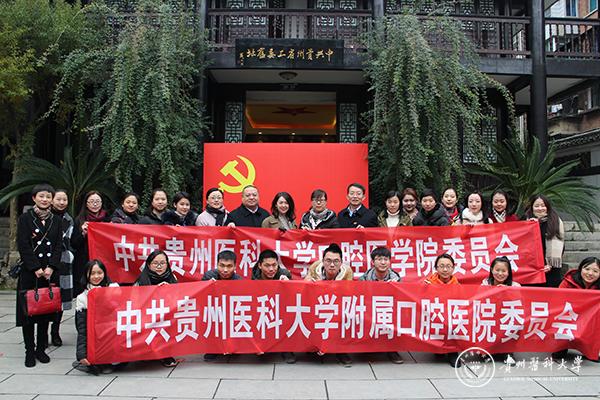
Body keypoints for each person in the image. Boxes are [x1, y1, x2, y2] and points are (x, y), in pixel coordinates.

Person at [16, 184, 62, 367]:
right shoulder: (25, 218)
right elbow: (23, 244)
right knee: (28, 313)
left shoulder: (56, 220)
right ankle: (29, 350)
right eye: (41, 196)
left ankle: (41, 349)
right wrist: (35, 267)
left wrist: (51, 267)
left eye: (48, 196)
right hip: (30, 272)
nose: (45, 199)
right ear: (34, 198)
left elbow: (58, 245)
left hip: (49, 273)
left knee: (45, 311)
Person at [304, 244, 353, 366]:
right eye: (328, 261)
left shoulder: (347, 271)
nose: (332, 265)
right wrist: (308, 282)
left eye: (336, 261)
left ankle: (341, 351)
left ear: (341, 262)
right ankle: (315, 346)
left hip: (338, 305)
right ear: (323, 261)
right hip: (318, 304)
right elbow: (305, 283)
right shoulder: (315, 267)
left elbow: (349, 293)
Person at [359, 247, 403, 364]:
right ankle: (369, 349)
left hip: (389, 311)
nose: (383, 262)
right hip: (370, 311)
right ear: (372, 262)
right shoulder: (363, 279)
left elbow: (402, 300)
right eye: (379, 259)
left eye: (386, 259)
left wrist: (396, 288)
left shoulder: (397, 279)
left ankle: (392, 350)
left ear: (390, 261)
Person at [134, 250, 178, 367]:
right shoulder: (141, 281)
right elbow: (135, 304)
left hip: (166, 316)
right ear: (149, 265)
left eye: (162, 263)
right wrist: (154, 291)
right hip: (147, 316)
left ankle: (165, 354)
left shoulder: (172, 278)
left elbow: (178, 301)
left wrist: (169, 291)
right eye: (155, 263)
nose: (159, 266)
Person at [75, 259, 119, 375]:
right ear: (86, 275)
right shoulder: (82, 298)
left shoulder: (114, 290)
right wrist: (82, 354)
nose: (96, 277)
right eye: (92, 273)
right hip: (97, 338)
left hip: (114, 335)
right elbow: (82, 328)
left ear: (105, 273)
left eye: (99, 273)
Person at [251, 250, 295, 363]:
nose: (271, 269)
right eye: (267, 265)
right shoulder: (255, 277)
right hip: (264, 309)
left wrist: (288, 284)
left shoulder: (284, 274)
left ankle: (287, 349)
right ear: (260, 265)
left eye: (274, 265)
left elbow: (292, 298)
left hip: (281, 309)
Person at [555, 257, 600, 362]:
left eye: (595, 271)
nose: (590, 273)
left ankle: (593, 348)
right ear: (580, 269)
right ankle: (561, 345)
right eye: (587, 269)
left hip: (591, 318)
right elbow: (557, 301)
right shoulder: (568, 282)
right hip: (570, 315)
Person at [49, 189, 78, 347]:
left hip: (63, 264)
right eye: (58, 199)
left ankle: (55, 331)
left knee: (59, 300)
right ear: (52, 200)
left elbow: (72, 242)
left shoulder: (69, 219)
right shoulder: (45, 218)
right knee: (45, 297)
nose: (61, 202)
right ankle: (42, 333)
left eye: (64, 200)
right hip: (46, 264)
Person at [202, 250, 243, 362]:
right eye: (222, 266)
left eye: (229, 266)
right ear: (217, 264)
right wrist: (207, 287)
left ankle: (233, 345)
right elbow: (201, 299)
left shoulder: (239, 281)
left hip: (231, 313)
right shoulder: (209, 276)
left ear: (235, 266)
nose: (225, 270)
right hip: (214, 311)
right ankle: (212, 348)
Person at [481, 256, 519, 367]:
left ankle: (508, 353)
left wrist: (507, 291)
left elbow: (520, 304)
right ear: (491, 270)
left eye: (504, 271)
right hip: (490, 316)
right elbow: (480, 301)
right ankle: (486, 350)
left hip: (507, 317)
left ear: (508, 272)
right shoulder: (485, 284)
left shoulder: (515, 286)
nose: (500, 273)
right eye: (497, 270)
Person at [423, 253, 461, 367]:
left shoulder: (458, 285)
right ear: (436, 268)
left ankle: (453, 352)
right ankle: (437, 347)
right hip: (434, 317)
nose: (445, 270)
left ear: (453, 268)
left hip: (451, 319)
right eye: (441, 266)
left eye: (448, 266)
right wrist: (424, 289)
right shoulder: (428, 283)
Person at [72, 191, 110, 296]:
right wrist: (83, 233)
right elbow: (74, 243)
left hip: (103, 260)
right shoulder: (79, 220)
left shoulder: (108, 219)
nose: (95, 204)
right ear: (86, 204)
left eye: (98, 201)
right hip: (84, 261)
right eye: (91, 201)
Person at [524, 194, 564, 288]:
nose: (540, 208)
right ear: (532, 207)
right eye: (537, 206)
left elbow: (561, 245)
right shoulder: (525, 220)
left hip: (551, 269)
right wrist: (529, 225)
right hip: (530, 269)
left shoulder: (555, 221)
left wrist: (549, 264)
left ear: (547, 207)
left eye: (543, 205)